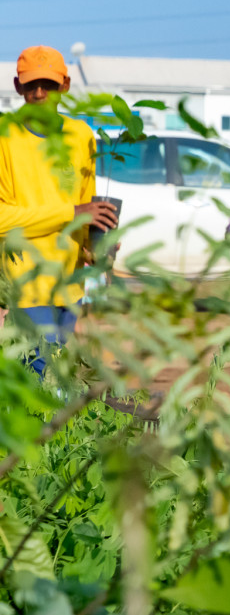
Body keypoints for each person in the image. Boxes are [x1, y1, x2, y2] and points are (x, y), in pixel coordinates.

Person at [0, 46, 117, 376]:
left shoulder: (81, 135)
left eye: (48, 85)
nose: (39, 93)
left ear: (64, 85)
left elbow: (86, 207)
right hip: (25, 284)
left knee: (52, 380)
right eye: (31, 85)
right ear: (17, 86)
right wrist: (71, 212)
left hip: (69, 286)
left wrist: (98, 247)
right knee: (48, 378)